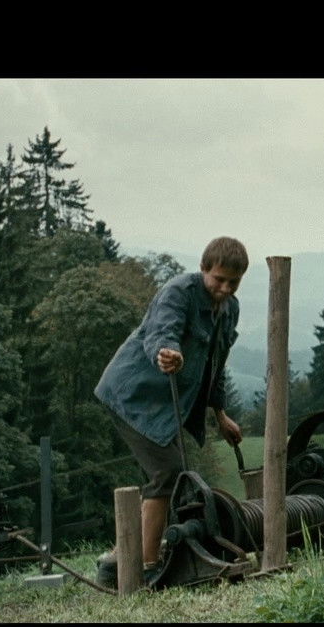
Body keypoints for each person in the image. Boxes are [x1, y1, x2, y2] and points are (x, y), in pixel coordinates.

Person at [94, 236, 247, 586]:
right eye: (219, 279)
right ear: (203, 268)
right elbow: (160, 333)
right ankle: (146, 567)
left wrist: (220, 415)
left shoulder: (230, 310)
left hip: (167, 406)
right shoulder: (178, 292)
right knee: (169, 472)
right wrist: (167, 352)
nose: (225, 288)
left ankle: (117, 562)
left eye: (233, 282)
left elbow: (215, 365)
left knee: (171, 475)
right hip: (132, 395)